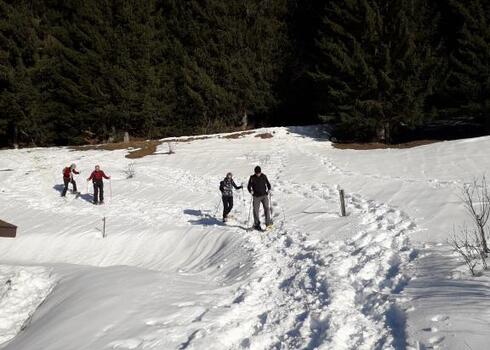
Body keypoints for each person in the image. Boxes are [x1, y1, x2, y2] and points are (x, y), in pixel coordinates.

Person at [247, 166, 272, 230]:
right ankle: (256, 224)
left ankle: (268, 224)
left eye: (259, 173)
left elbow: (268, 184)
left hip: (264, 195)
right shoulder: (252, 177)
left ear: (260, 172)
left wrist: (269, 189)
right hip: (256, 196)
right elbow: (248, 186)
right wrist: (251, 191)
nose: (258, 174)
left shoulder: (264, 176)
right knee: (255, 210)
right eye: (256, 173)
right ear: (255, 172)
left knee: (266, 208)